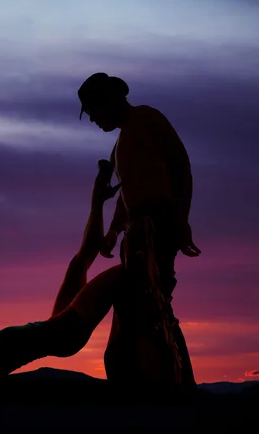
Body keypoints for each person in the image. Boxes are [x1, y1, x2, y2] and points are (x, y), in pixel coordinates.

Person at [0, 160, 194, 390]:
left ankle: (98, 199)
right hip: (65, 331)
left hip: (58, 324)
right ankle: (154, 369)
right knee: (128, 274)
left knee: (79, 262)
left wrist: (98, 205)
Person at [77, 72, 200, 385]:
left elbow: (179, 166)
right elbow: (127, 197)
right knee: (139, 307)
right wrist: (115, 232)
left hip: (154, 224)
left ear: (109, 101)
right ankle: (149, 383)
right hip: (137, 231)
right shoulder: (121, 143)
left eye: (93, 111)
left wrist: (180, 219)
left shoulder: (145, 119)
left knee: (153, 305)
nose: (92, 120)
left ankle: (174, 385)